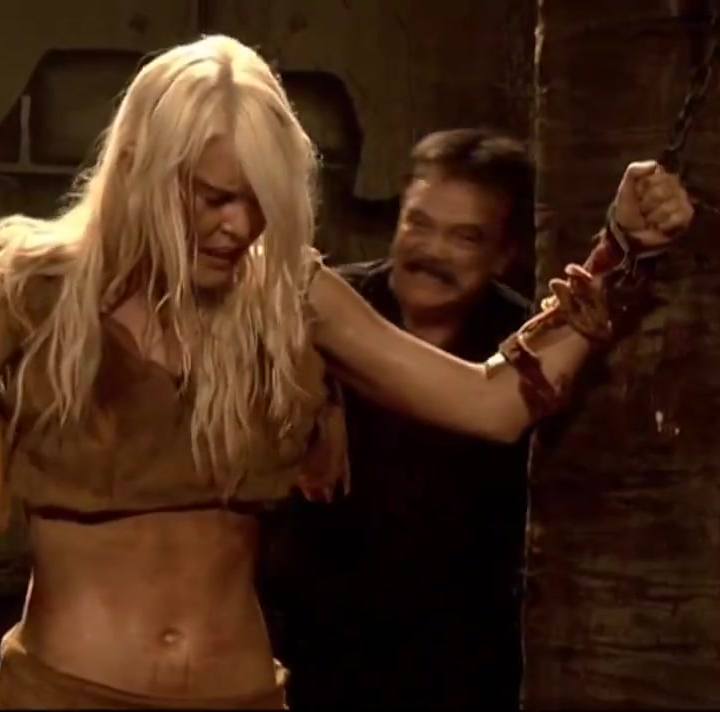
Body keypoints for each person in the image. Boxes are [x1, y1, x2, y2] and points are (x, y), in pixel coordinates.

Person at [0, 34, 694, 711]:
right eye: (211, 198)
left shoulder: (289, 295)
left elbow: (491, 404)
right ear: (142, 170)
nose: (239, 227)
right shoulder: (33, 292)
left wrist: (620, 253)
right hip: (65, 696)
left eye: (259, 202)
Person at [260, 128, 543, 708]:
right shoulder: (325, 311)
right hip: (309, 656)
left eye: (464, 236)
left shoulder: (524, 348)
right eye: (419, 223)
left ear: (504, 255)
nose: (431, 251)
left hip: (464, 667)